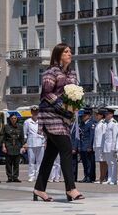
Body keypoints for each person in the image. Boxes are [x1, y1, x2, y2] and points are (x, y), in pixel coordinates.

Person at [33, 43, 84, 202]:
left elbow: (75, 94)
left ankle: (39, 189)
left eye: (70, 51)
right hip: (51, 116)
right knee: (67, 149)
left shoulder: (73, 73)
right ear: (58, 55)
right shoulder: (51, 72)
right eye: (66, 52)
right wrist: (63, 107)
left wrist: (74, 107)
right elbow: (47, 93)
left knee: (50, 155)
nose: (70, 54)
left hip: (65, 117)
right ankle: (71, 188)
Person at [24, 105, 46, 182]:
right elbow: (25, 134)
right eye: (33, 112)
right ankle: (31, 176)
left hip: (41, 143)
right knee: (31, 161)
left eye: (36, 111)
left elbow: (45, 132)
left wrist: (45, 142)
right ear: (31, 112)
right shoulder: (27, 122)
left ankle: (39, 176)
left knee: (40, 161)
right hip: (31, 143)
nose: (35, 113)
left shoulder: (41, 121)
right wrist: (25, 143)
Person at [3, 114, 26, 183]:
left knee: (16, 163)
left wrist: (23, 146)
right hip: (9, 146)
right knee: (8, 164)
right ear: (10, 119)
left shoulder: (20, 127)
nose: (13, 119)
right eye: (12, 118)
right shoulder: (6, 127)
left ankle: (15, 177)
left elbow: (22, 138)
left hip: (17, 147)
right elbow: (3, 138)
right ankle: (9, 177)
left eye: (15, 118)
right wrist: (3, 147)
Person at [79, 107, 96, 183]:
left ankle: (90, 176)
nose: (83, 117)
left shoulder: (91, 124)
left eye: (84, 116)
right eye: (82, 116)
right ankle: (86, 176)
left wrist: (90, 146)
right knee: (85, 163)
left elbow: (91, 136)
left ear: (89, 116)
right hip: (83, 146)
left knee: (89, 163)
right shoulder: (82, 124)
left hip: (88, 146)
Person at [103, 108, 118, 185]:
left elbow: (115, 137)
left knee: (113, 163)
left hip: (111, 147)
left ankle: (113, 179)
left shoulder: (114, 123)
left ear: (111, 114)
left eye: (107, 114)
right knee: (109, 163)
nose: (105, 115)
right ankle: (109, 178)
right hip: (106, 146)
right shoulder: (107, 123)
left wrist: (114, 148)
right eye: (105, 114)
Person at [93, 108, 107, 183]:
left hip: (101, 145)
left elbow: (104, 136)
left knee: (103, 162)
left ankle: (103, 178)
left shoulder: (103, 124)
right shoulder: (98, 123)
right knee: (100, 162)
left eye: (97, 114)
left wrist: (103, 146)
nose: (96, 116)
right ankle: (101, 177)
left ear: (102, 115)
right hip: (97, 145)